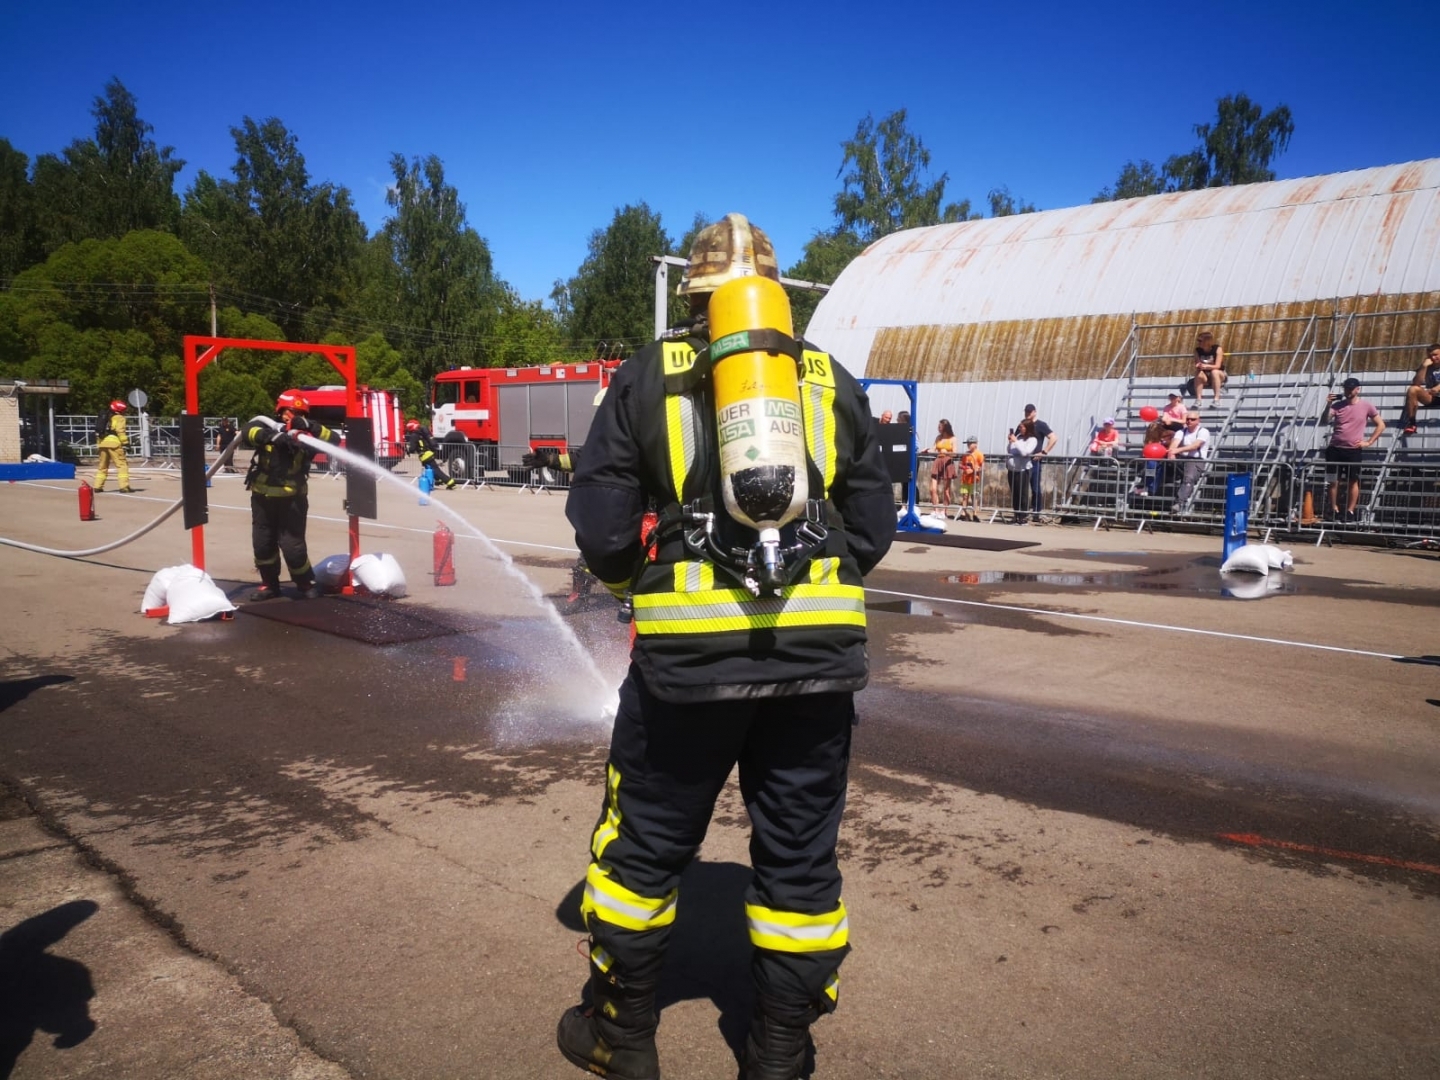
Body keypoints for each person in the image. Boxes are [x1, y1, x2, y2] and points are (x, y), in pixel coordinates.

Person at [556, 212, 895, 1080]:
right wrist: (815, 582)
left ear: (696, 294)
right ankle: (779, 1047)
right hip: (817, 666)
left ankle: (620, 1035)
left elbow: (599, 530)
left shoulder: (644, 378)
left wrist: (648, 585)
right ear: (779, 298)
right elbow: (871, 524)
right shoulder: (828, 381)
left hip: (684, 676)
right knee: (798, 858)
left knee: (642, 851)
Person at [244, 392, 341, 601]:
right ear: (279, 411)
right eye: (290, 411)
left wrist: (310, 426)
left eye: (299, 413)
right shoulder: (265, 426)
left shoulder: (308, 434)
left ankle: (305, 584)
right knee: (263, 544)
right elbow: (247, 433)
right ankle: (269, 585)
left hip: (293, 501)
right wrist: (272, 436)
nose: (293, 416)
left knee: (293, 546)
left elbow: (334, 439)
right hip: (262, 499)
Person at [1320, 377, 1385, 524]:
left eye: (1351, 388)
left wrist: (1368, 442)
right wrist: (1328, 403)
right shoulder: (1337, 405)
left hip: (1353, 450)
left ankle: (1350, 511)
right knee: (1333, 481)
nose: (1349, 391)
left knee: (1353, 481)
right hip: (1335, 449)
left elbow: (1380, 425)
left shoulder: (1366, 406)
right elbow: (1324, 421)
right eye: (1346, 388)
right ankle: (1334, 509)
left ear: (1357, 389)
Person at [1166, 409, 1211, 512]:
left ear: (1198, 421)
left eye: (1192, 419)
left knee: (1188, 478)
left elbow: (1195, 446)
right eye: (1187, 419)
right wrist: (1172, 452)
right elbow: (1174, 443)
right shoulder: (1181, 432)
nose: (1189, 421)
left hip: (1196, 460)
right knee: (1161, 464)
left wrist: (1177, 450)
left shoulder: (1203, 431)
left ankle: (1179, 503)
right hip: (1182, 459)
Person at [1017, 405, 1056, 521]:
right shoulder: (1022, 425)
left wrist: (1044, 452)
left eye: (1030, 412)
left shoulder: (1040, 425)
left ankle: (1036, 512)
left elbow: (1053, 437)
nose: (1027, 413)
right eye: (1026, 412)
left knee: (1035, 487)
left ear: (1035, 412)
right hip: (1022, 460)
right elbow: (1016, 437)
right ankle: (1021, 512)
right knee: (1021, 487)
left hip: (1034, 460)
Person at [1397, 343, 1440, 435]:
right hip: (1434, 397)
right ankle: (1412, 423)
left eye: (1436, 355)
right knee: (1412, 389)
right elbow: (1416, 383)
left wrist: (1438, 387)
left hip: (1437, 391)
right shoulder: (1428, 366)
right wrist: (1424, 367)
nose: (1433, 358)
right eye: (1430, 355)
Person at [93, 400, 133, 493]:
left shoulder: (106, 417)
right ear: (121, 410)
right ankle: (124, 487)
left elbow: (99, 433)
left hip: (103, 444)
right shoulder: (119, 418)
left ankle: (97, 486)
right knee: (122, 465)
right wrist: (126, 443)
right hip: (114, 444)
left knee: (102, 466)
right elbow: (120, 431)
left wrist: (99, 445)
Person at [404, 419, 458, 489]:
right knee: (430, 470)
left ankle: (450, 482)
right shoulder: (420, 434)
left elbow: (412, 449)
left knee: (436, 470)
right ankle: (438, 480)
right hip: (428, 454)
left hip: (425, 456)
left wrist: (408, 450)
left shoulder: (414, 435)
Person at [922, 418, 958, 513]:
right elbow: (934, 449)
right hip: (938, 461)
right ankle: (936, 510)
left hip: (947, 462)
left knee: (946, 490)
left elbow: (955, 453)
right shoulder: (938, 437)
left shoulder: (953, 438)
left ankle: (944, 510)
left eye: (940, 426)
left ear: (945, 427)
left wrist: (947, 452)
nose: (938, 428)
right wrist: (927, 451)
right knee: (932, 489)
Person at [1006, 419, 1038, 523]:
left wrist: (1015, 442)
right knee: (1015, 493)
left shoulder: (1032, 440)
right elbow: (1010, 450)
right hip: (1012, 469)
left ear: (1027, 428)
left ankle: (1023, 515)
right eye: (1019, 426)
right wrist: (1011, 442)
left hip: (1023, 470)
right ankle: (1016, 514)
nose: (1020, 428)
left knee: (1022, 493)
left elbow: (1025, 452)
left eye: (1022, 427)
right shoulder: (1018, 437)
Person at [1193, 331, 1226, 405]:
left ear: (1207, 341)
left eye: (1200, 341)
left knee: (1214, 372)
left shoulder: (1217, 349)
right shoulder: (1197, 350)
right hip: (1205, 375)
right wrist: (1199, 365)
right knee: (1198, 373)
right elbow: (1197, 363)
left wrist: (1206, 366)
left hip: (1219, 374)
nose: (1198, 342)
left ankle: (1216, 399)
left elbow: (1218, 366)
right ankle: (1198, 399)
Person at [956, 436, 984, 521]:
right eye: (967, 444)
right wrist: (965, 468)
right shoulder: (966, 454)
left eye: (970, 443)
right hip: (965, 479)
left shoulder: (979, 454)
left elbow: (982, 467)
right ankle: (964, 513)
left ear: (975, 444)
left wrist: (973, 470)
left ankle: (975, 513)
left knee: (974, 497)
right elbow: (960, 464)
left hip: (974, 480)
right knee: (965, 496)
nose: (968, 445)